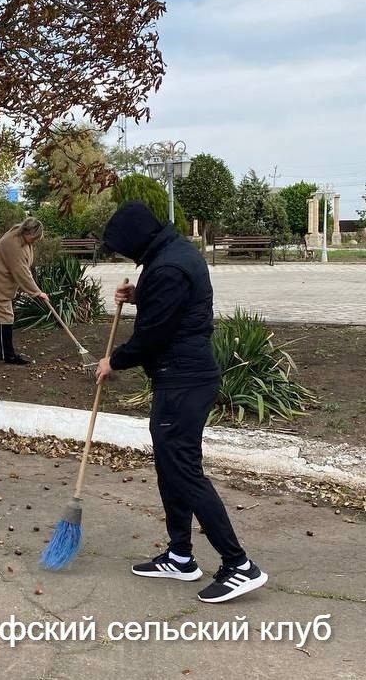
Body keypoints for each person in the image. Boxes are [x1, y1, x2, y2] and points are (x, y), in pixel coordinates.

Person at [95, 201, 267, 603]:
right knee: (171, 466)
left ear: (138, 239)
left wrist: (113, 361)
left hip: (183, 381)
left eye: (125, 248)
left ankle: (239, 565)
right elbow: (172, 309)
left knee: (184, 470)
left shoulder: (169, 266)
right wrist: (140, 294)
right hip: (180, 379)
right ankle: (180, 555)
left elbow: (153, 334)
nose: (126, 256)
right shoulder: (172, 254)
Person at [0, 217, 48, 365]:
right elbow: (22, 272)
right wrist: (37, 292)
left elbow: (23, 268)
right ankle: (7, 355)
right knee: (3, 316)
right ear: (28, 232)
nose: (35, 241)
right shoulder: (14, 244)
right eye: (34, 238)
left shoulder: (18, 234)